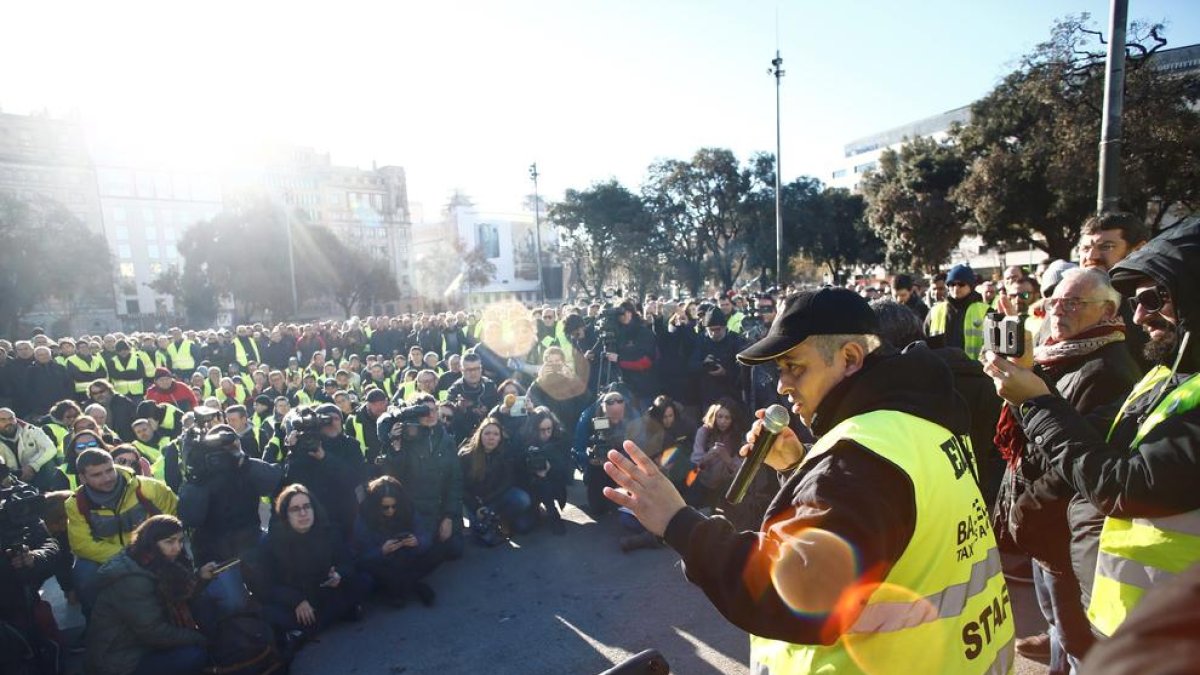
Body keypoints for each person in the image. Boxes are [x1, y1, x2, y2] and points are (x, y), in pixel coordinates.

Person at [604, 287, 1014, 674]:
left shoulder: (857, 459)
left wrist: (678, 522)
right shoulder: (921, 421)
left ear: (851, 358)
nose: (782, 386)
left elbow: (790, 595)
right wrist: (800, 466)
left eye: (793, 368)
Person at [983, 218, 1200, 643]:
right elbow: (1088, 433)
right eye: (1135, 300)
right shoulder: (1166, 374)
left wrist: (1034, 398)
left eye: (1155, 298)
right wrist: (1030, 383)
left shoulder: (1124, 367)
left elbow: (1124, 485)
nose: (1138, 315)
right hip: (1124, 613)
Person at [989, 268, 1141, 671]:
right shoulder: (1056, 355)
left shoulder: (1108, 370)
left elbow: (1075, 462)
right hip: (1045, 531)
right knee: (1058, 624)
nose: (1059, 311)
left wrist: (1025, 512)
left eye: (1073, 303)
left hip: (1063, 533)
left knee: (1077, 638)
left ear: (1107, 310)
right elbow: (1036, 435)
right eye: (1055, 300)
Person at [85, 515, 211, 675]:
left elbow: (179, 592)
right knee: (194, 656)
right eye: (169, 542)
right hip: (121, 660)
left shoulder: (152, 561)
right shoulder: (132, 580)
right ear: (151, 543)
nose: (178, 548)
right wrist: (198, 638)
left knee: (205, 608)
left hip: (140, 644)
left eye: (180, 541)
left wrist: (200, 577)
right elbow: (154, 632)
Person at [178, 424, 282, 616]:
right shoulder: (200, 477)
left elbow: (273, 481)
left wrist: (243, 460)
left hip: (250, 540)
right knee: (235, 605)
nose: (223, 455)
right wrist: (197, 477)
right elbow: (191, 517)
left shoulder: (244, 466)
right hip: (214, 552)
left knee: (270, 587)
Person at [66, 448, 179, 615]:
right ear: (82, 478)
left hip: (153, 551)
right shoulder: (76, 504)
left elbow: (173, 521)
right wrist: (129, 557)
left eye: (109, 470)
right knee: (85, 576)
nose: (107, 478)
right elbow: (82, 545)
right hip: (107, 558)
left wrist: (152, 551)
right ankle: (96, 624)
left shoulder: (148, 488)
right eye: (97, 475)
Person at [259, 484, 368, 650]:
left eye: (307, 507)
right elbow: (268, 586)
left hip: (327, 590)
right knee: (269, 613)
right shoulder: (272, 543)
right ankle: (337, 615)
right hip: (298, 599)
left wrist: (339, 575)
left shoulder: (330, 531)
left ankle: (307, 630)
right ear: (285, 515)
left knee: (365, 580)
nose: (303, 513)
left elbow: (348, 563)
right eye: (295, 509)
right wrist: (297, 601)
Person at [377, 401, 465, 561]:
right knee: (423, 552)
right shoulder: (406, 438)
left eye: (433, 410)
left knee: (455, 550)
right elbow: (393, 477)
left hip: (441, 506)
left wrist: (449, 517)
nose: (430, 415)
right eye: (424, 412)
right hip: (419, 510)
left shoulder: (447, 439)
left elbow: (455, 481)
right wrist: (395, 446)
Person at [1078, 211, 1150, 368]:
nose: (1091, 256)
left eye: (1107, 247)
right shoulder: (1059, 305)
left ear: (1138, 250)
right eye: (1085, 248)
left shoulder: (1153, 305)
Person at [352, 476, 437, 607]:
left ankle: (400, 589)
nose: (390, 510)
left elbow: (425, 537)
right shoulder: (364, 516)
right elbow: (361, 557)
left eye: (394, 506)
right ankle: (412, 586)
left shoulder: (407, 508)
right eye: (385, 507)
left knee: (438, 552)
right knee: (372, 574)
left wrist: (417, 541)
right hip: (381, 562)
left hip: (406, 556)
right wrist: (382, 551)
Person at [458, 417, 535, 544]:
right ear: (480, 435)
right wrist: (476, 506)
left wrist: (490, 504)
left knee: (522, 499)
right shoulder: (466, 455)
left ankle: (502, 518)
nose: (491, 437)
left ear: (500, 437)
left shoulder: (505, 453)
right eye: (487, 433)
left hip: (496, 497)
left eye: (495, 434)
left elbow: (508, 481)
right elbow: (461, 486)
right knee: (482, 536)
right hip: (475, 502)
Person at [516, 407, 570, 535]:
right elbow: (515, 467)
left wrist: (550, 468)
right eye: (542, 430)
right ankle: (538, 509)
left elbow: (567, 468)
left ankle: (552, 513)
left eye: (549, 429)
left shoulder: (559, 439)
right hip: (527, 486)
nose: (546, 434)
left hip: (552, 483)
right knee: (523, 526)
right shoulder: (522, 439)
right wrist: (529, 466)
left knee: (543, 480)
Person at [926, 263, 990, 358]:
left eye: (961, 284)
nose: (956, 288)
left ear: (970, 286)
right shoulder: (935, 311)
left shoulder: (985, 311)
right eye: (952, 284)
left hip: (975, 370)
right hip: (941, 370)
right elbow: (925, 342)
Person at [0, 407, 65, 492]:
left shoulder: (31, 430)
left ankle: (49, 494)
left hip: (35, 473)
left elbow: (50, 448)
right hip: (7, 477)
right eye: (3, 420)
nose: (8, 422)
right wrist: (5, 475)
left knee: (49, 463)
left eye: (11, 418)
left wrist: (33, 466)